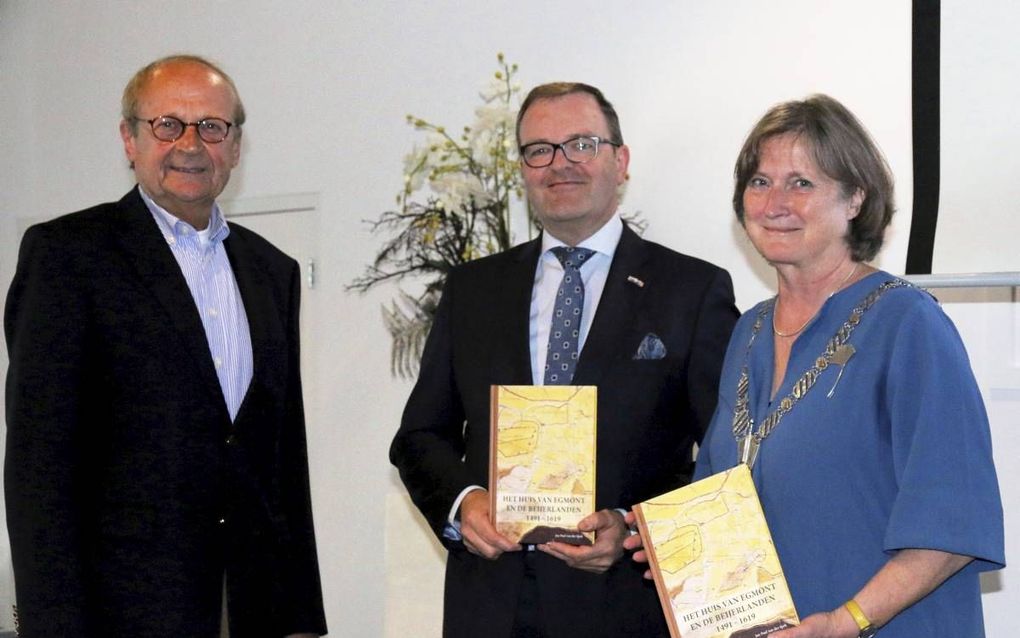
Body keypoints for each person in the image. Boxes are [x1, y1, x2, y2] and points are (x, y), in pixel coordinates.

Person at [627, 94, 1005, 637]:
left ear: (855, 198)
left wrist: (844, 623)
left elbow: (953, 523)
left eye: (801, 183)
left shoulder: (908, 325)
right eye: (759, 182)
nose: (775, 202)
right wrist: (659, 538)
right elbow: (719, 495)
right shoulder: (750, 331)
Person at [390, 82, 739, 638]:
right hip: (490, 604)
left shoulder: (690, 291)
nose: (560, 164)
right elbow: (419, 436)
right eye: (540, 150)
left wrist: (633, 527)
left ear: (620, 161)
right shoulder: (473, 289)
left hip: (625, 607)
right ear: (523, 168)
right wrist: (463, 502)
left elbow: (724, 458)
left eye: (581, 144)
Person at [4, 55, 327, 637]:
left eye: (211, 126)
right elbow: (37, 470)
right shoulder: (68, 257)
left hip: (250, 607)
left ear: (235, 145)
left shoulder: (271, 271)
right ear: (129, 139)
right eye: (167, 124)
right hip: (119, 613)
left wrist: (301, 617)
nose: (190, 143)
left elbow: (282, 460)